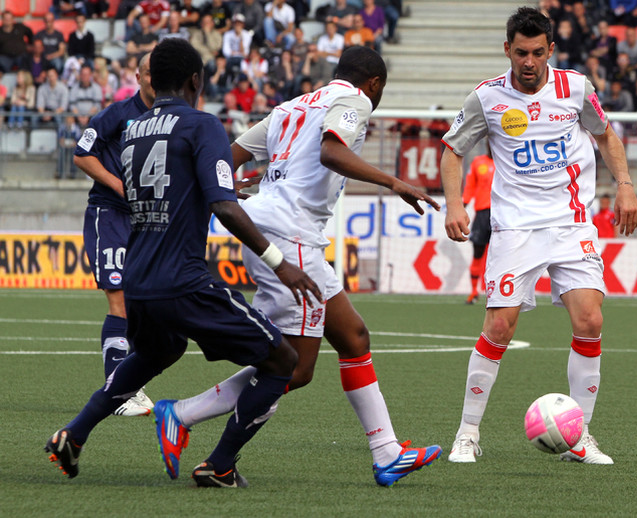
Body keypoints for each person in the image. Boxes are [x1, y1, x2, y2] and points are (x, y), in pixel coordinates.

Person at [151, 45, 443, 488]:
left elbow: (228, 157)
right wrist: (393, 181)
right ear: (375, 84)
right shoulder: (356, 100)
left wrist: (246, 189)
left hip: (274, 228)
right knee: (293, 368)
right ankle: (193, 428)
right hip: (291, 239)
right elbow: (331, 152)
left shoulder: (293, 105)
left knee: (353, 335)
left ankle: (387, 452)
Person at [45, 38, 321, 488]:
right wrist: (280, 263)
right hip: (183, 281)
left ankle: (73, 434)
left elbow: (170, 191)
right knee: (284, 360)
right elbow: (225, 208)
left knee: (160, 351)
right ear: (196, 80)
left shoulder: (134, 129)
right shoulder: (203, 124)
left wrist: (221, 192)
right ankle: (220, 465)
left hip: (139, 280)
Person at [441, 7, 637, 465]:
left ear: (550, 50)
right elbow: (451, 151)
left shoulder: (576, 88)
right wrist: (455, 203)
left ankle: (580, 437)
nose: (528, 62)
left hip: (572, 222)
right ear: (506, 49)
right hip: (515, 227)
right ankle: (468, 433)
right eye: (519, 53)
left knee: (590, 321)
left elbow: (606, 136)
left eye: (536, 53)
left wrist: (625, 185)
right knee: (498, 326)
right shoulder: (487, 98)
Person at [71, 54, 157, 416]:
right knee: (119, 299)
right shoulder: (115, 114)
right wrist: (120, 186)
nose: (155, 78)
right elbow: (81, 154)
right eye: (149, 72)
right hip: (109, 215)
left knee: (144, 306)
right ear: (137, 76)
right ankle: (119, 393)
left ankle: (126, 383)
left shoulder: (172, 118)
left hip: (148, 221)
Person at [462, 152, 494, 305]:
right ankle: (474, 291)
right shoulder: (477, 162)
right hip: (482, 214)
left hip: (502, 213)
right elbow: (470, 185)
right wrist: (463, 204)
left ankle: (498, 293)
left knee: (502, 256)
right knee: (478, 253)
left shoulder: (507, 159)